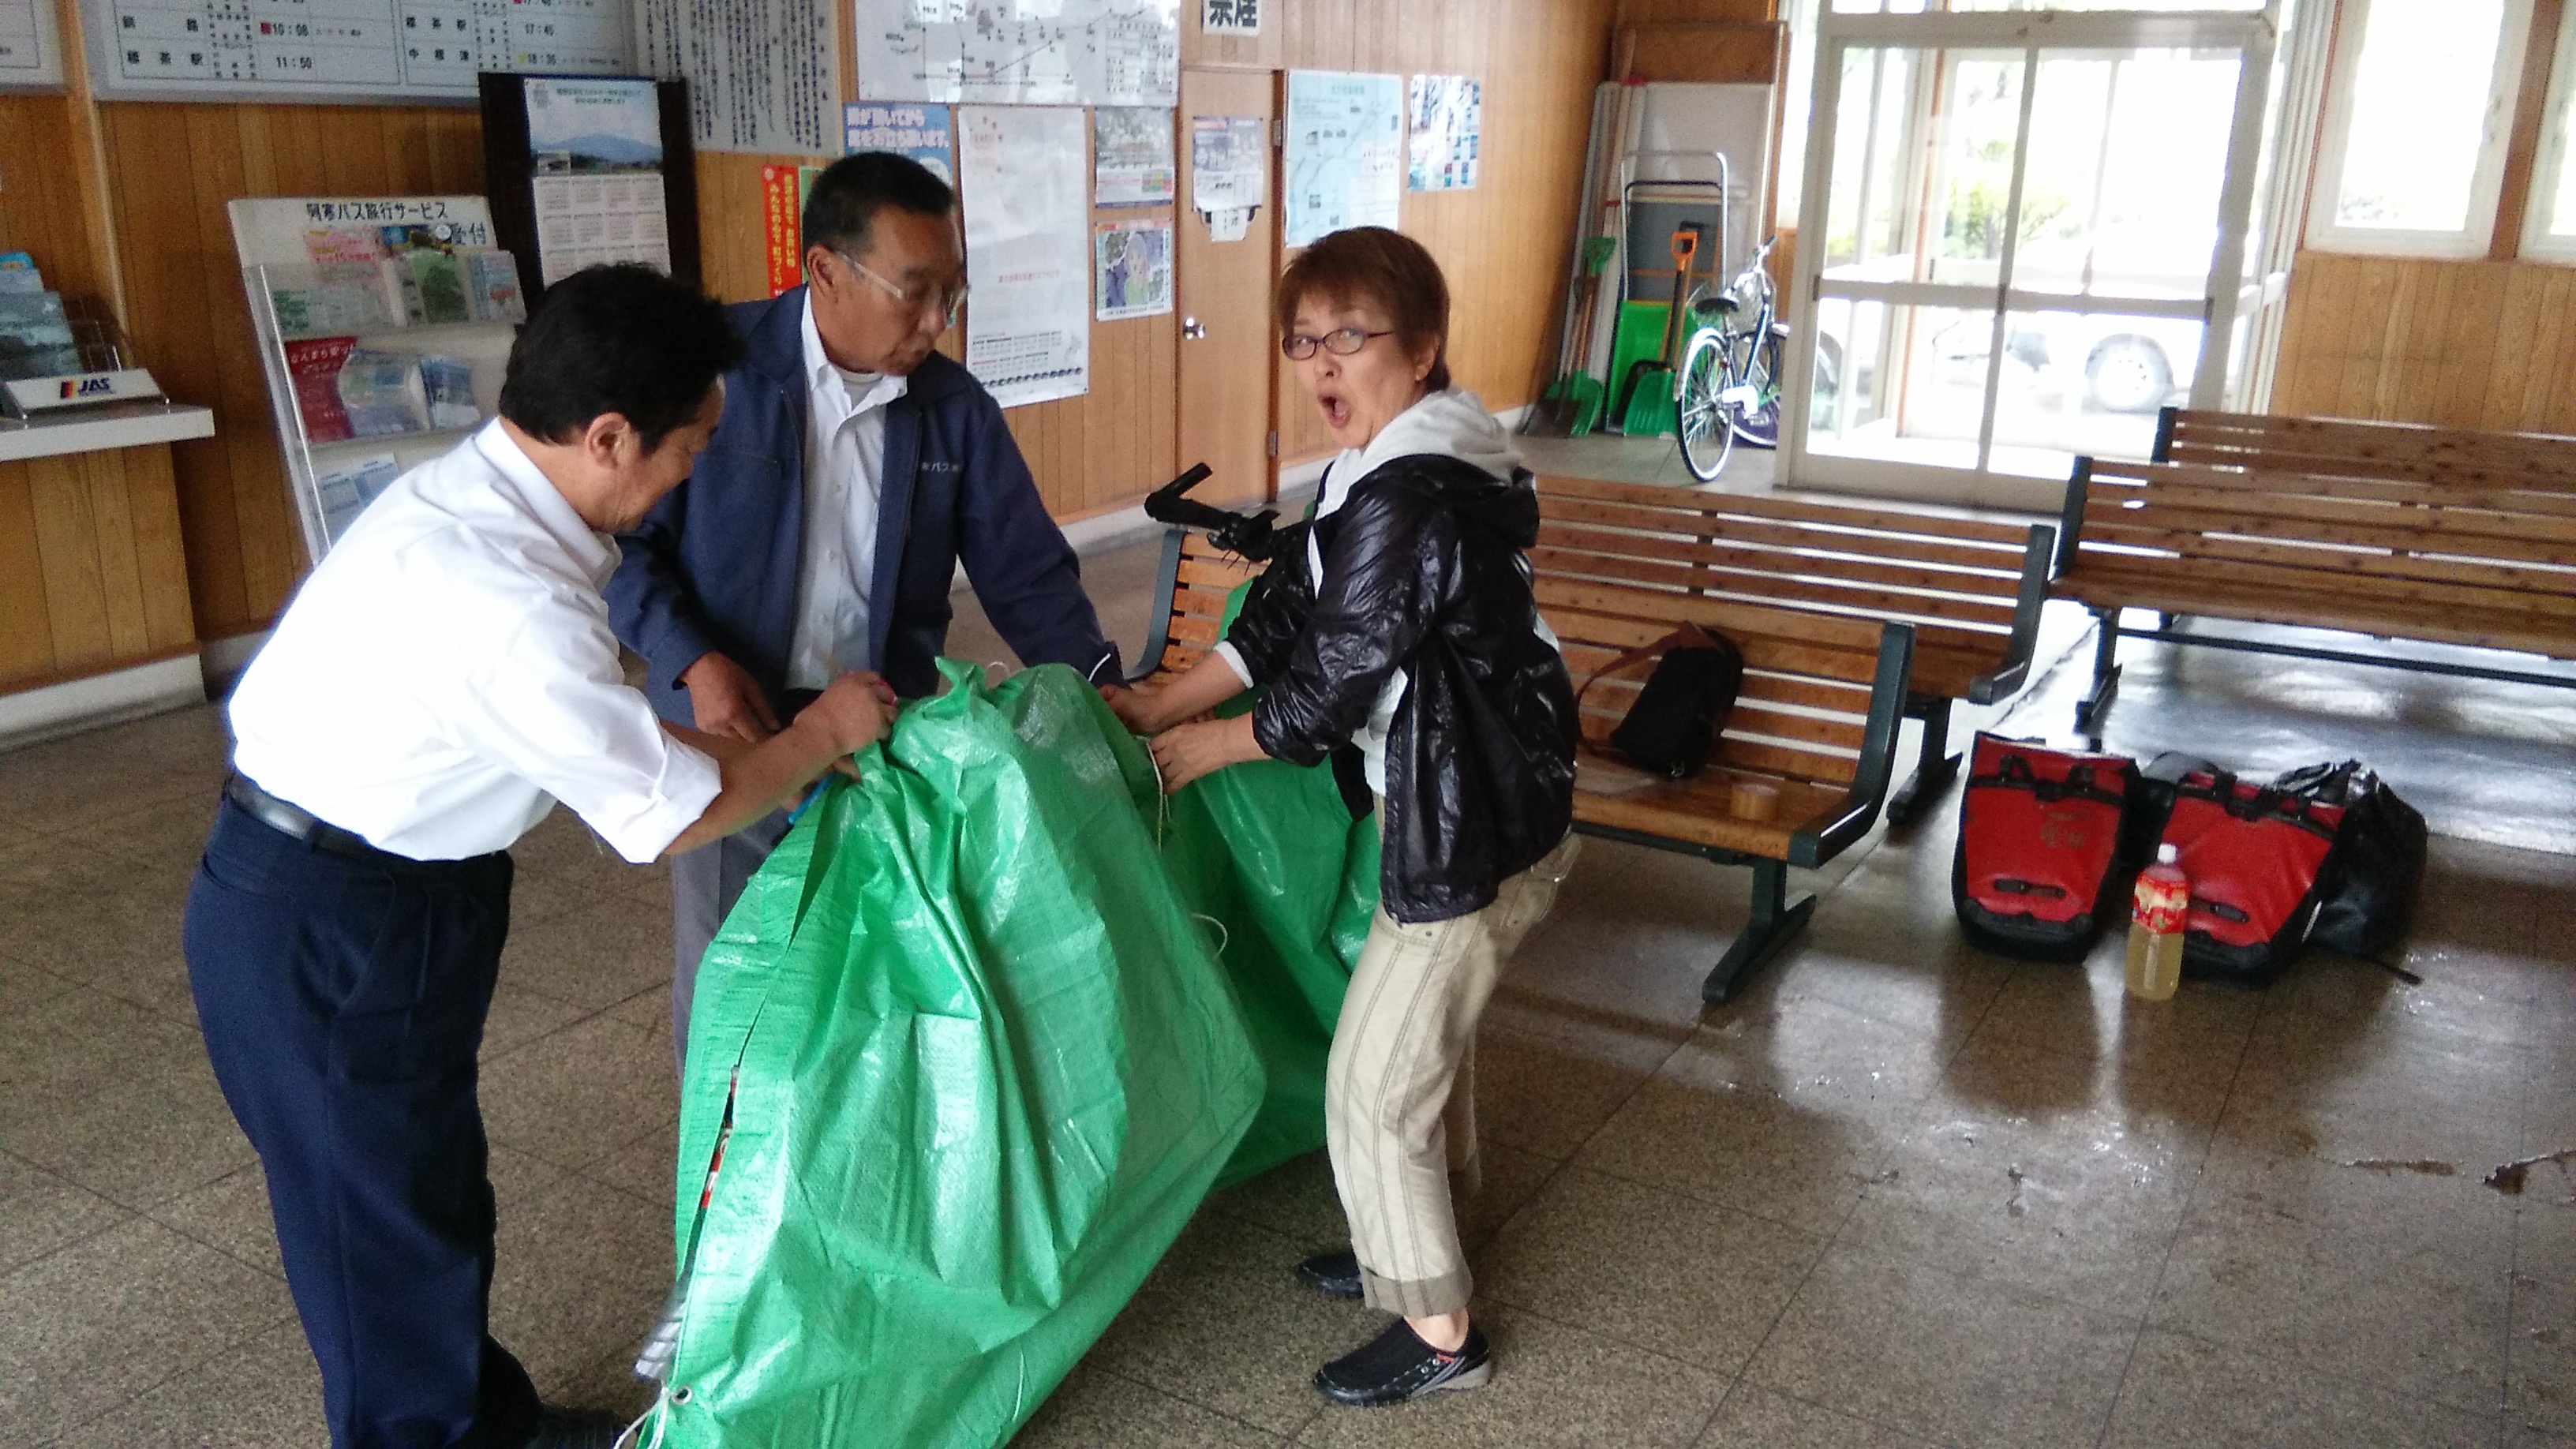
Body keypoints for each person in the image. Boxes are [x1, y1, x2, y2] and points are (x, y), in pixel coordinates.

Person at [185, 264, 897, 1449]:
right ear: (610, 435)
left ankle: (483, 1419)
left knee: (425, 1197)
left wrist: (709, 738)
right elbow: (667, 816)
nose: (695, 470)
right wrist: (823, 735)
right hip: (337, 927)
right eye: (688, 447)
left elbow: (588, 731)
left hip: (363, 892)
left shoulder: (483, 495)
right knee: (378, 1233)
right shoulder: (501, 594)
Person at [1103, 227, 1580, 1406]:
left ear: (1420, 351)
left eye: (1350, 337)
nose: (1322, 364)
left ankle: (1439, 1330)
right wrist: (1172, 691)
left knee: (1371, 1085)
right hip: (1467, 795)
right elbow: (1282, 616)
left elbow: (1329, 683)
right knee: (1422, 1051)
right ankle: (1405, 1238)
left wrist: (1199, 748)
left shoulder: (1413, 494)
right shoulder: (1378, 470)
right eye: (1304, 341)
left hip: (1475, 823)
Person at [608, 152, 1119, 1069]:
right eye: (915, 292)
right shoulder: (711, 375)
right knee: (734, 973)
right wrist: (691, 659)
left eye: (951, 296)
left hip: (876, 738)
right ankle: (727, 1187)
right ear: (825, 272)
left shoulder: (952, 409)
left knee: (869, 965)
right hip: (734, 731)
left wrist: (1105, 698)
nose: (935, 323)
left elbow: (1029, 578)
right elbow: (622, 545)